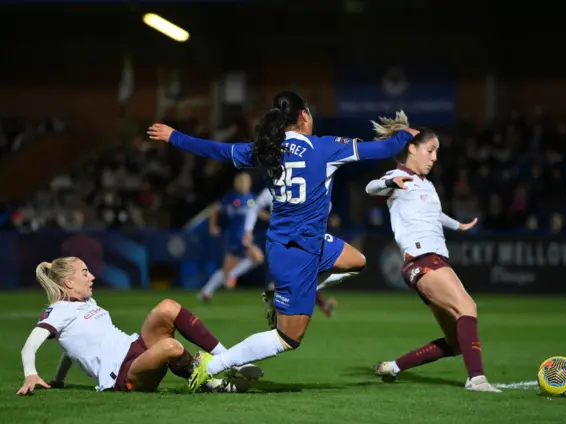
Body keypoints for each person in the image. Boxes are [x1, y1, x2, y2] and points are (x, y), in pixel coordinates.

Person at [147, 91, 419, 393]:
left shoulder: (268, 150)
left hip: (295, 244)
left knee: (357, 261)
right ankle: (208, 367)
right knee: (288, 339)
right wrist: (406, 135)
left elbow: (218, 151)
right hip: (298, 253)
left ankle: (280, 299)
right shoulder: (325, 148)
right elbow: (382, 149)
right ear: (304, 116)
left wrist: (176, 137)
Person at [363, 112, 500, 392]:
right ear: (412, 148)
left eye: (437, 151)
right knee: (467, 307)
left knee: (455, 343)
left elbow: (435, 214)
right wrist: (390, 183)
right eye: (431, 149)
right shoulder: (399, 175)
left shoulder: (427, 184)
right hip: (422, 260)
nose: (435, 157)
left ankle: (395, 367)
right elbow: (371, 187)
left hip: (431, 260)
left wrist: (458, 225)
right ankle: (477, 379)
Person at [17, 257, 263, 395]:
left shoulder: (87, 301)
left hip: (135, 347)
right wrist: (31, 373)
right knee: (170, 346)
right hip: (122, 374)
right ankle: (211, 384)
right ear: (69, 282)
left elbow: (72, 347)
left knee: (167, 306)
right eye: (85, 273)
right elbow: (29, 346)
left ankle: (230, 359)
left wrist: (59, 379)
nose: (91, 277)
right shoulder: (58, 311)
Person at [245, 187, 364, 323]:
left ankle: (279, 319)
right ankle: (279, 319)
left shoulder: (300, 185)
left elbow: (327, 205)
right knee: (285, 281)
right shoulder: (275, 188)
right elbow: (255, 207)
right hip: (284, 240)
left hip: (297, 240)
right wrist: (248, 231)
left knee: (296, 278)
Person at [198, 172, 265, 302]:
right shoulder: (231, 198)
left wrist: (272, 218)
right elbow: (214, 208)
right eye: (241, 181)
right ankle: (232, 276)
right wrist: (213, 226)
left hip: (243, 236)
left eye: (246, 181)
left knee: (227, 267)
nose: (244, 184)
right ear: (236, 184)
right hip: (236, 235)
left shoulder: (251, 198)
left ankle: (206, 292)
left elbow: (258, 212)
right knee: (257, 257)